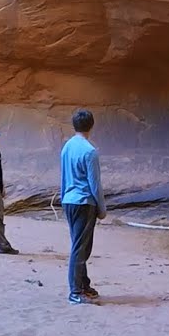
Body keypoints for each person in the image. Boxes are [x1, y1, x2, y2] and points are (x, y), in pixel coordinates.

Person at [60, 109, 106, 304]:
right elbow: (95, 183)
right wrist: (101, 209)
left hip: (69, 200)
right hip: (84, 202)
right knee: (81, 248)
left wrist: (63, 199)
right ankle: (75, 291)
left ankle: (84, 285)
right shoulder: (89, 151)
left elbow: (63, 176)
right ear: (91, 125)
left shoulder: (67, 147)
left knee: (79, 245)